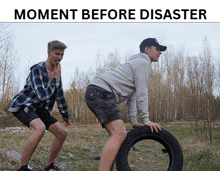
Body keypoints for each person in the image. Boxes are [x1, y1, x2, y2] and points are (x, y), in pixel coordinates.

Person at [85, 38, 167, 171]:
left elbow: (132, 97)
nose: (160, 53)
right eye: (157, 49)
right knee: (119, 134)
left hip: (97, 92)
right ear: (147, 49)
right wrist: (146, 120)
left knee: (117, 135)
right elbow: (142, 92)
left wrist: (134, 122)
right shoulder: (143, 62)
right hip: (101, 92)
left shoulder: (136, 63)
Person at [8, 40, 72, 171]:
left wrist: (66, 116)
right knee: (40, 128)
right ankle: (23, 167)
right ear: (48, 52)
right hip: (23, 105)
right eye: (57, 54)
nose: (59, 58)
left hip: (39, 109)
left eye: (62, 55)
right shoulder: (37, 70)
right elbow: (41, 95)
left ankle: (49, 166)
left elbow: (59, 95)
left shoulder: (57, 72)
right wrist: (55, 78)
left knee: (62, 133)